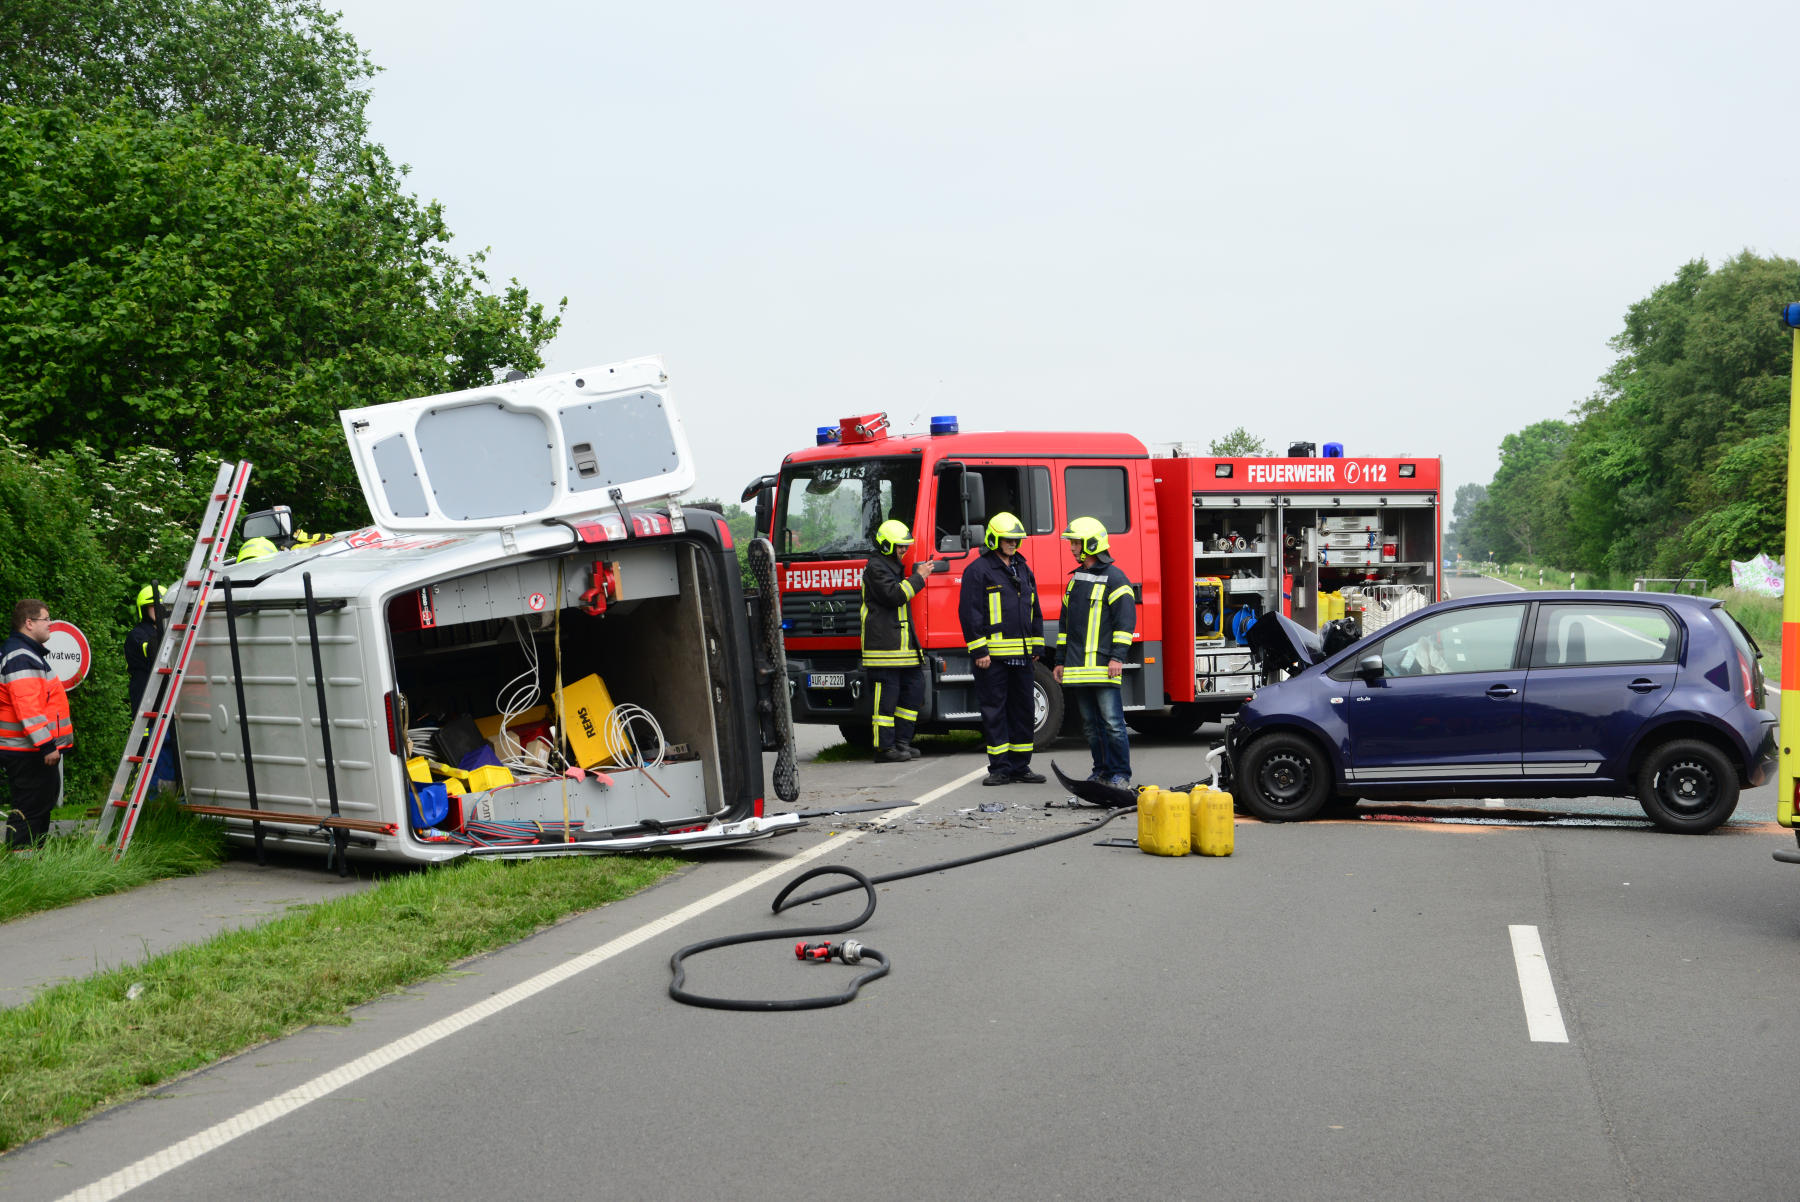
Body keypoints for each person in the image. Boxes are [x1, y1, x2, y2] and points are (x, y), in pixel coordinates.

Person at [958, 512, 1045, 785]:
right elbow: (969, 613)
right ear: (995, 539)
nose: (1013, 544)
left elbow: (1035, 609)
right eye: (1008, 539)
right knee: (995, 710)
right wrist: (979, 650)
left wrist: (1037, 643)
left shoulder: (1023, 567)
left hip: (1022, 655)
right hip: (992, 658)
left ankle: (1021, 766)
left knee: (1023, 709)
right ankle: (999, 768)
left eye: (1016, 540)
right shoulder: (978, 570)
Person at [1054, 517, 1136, 789]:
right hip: (1078, 667)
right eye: (1073, 542)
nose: (1072, 547)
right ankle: (1100, 771)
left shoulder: (1115, 579)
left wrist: (1117, 657)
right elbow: (1065, 626)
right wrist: (1060, 661)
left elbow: (1125, 623)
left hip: (1104, 666)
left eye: (1076, 542)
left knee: (1113, 724)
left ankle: (1120, 774)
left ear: (1091, 544)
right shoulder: (1075, 581)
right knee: (1090, 726)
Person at [861, 519, 943, 764]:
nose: (903, 551)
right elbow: (895, 596)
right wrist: (918, 577)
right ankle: (884, 749)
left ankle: (902, 742)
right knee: (886, 700)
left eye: (905, 547)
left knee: (914, 689)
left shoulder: (891, 567)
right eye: (899, 547)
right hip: (884, 649)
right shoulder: (875, 568)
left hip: (903, 648)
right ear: (886, 545)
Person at [1, 599, 73, 846]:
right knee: (29, 811)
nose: (50, 624)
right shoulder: (22, 656)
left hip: (27, 748)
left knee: (36, 808)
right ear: (29, 623)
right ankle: (23, 865)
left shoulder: (25, 653)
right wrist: (46, 745)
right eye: (46, 619)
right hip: (28, 750)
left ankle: (33, 862)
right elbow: (27, 708)